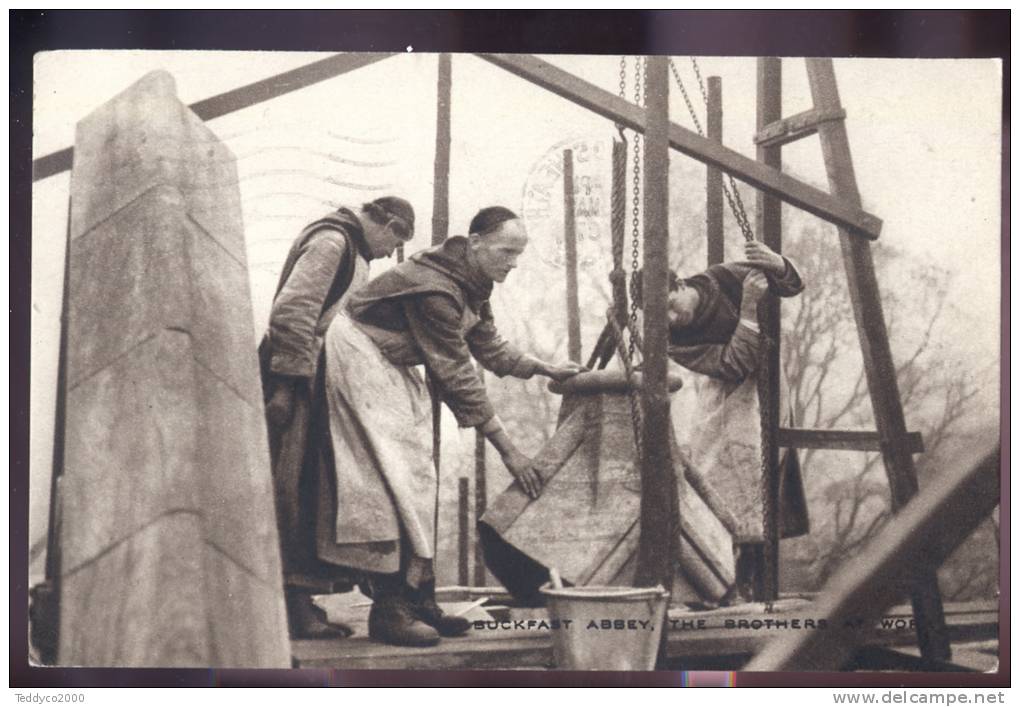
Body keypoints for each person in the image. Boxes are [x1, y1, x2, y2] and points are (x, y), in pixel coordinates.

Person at [318, 206, 584, 647]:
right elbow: (458, 374)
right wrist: (509, 451)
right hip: (359, 358)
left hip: (388, 363)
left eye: (519, 254)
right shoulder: (435, 288)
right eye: (506, 251)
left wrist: (546, 368)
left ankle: (419, 600)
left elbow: (489, 346)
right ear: (475, 242)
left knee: (417, 477)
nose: (512, 262)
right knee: (396, 479)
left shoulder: (469, 283)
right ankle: (391, 610)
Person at [259, 196, 415, 639]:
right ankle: (291, 608)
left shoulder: (351, 248)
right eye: (394, 239)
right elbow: (293, 313)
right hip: (295, 377)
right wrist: (287, 388)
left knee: (310, 489)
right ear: (383, 223)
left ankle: (298, 604)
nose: (389, 251)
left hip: (315, 377)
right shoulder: (332, 242)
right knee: (293, 488)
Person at [666, 239, 810, 602]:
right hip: (723, 394)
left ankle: (757, 583)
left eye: (670, 306)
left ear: (680, 285)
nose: (670, 319)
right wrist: (748, 308)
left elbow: (790, 286)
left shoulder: (722, 278)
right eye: (658, 316)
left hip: (763, 390)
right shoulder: (671, 338)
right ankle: (727, 582)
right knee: (712, 476)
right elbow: (731, 365)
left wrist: (777, 264)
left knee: (760, 473)